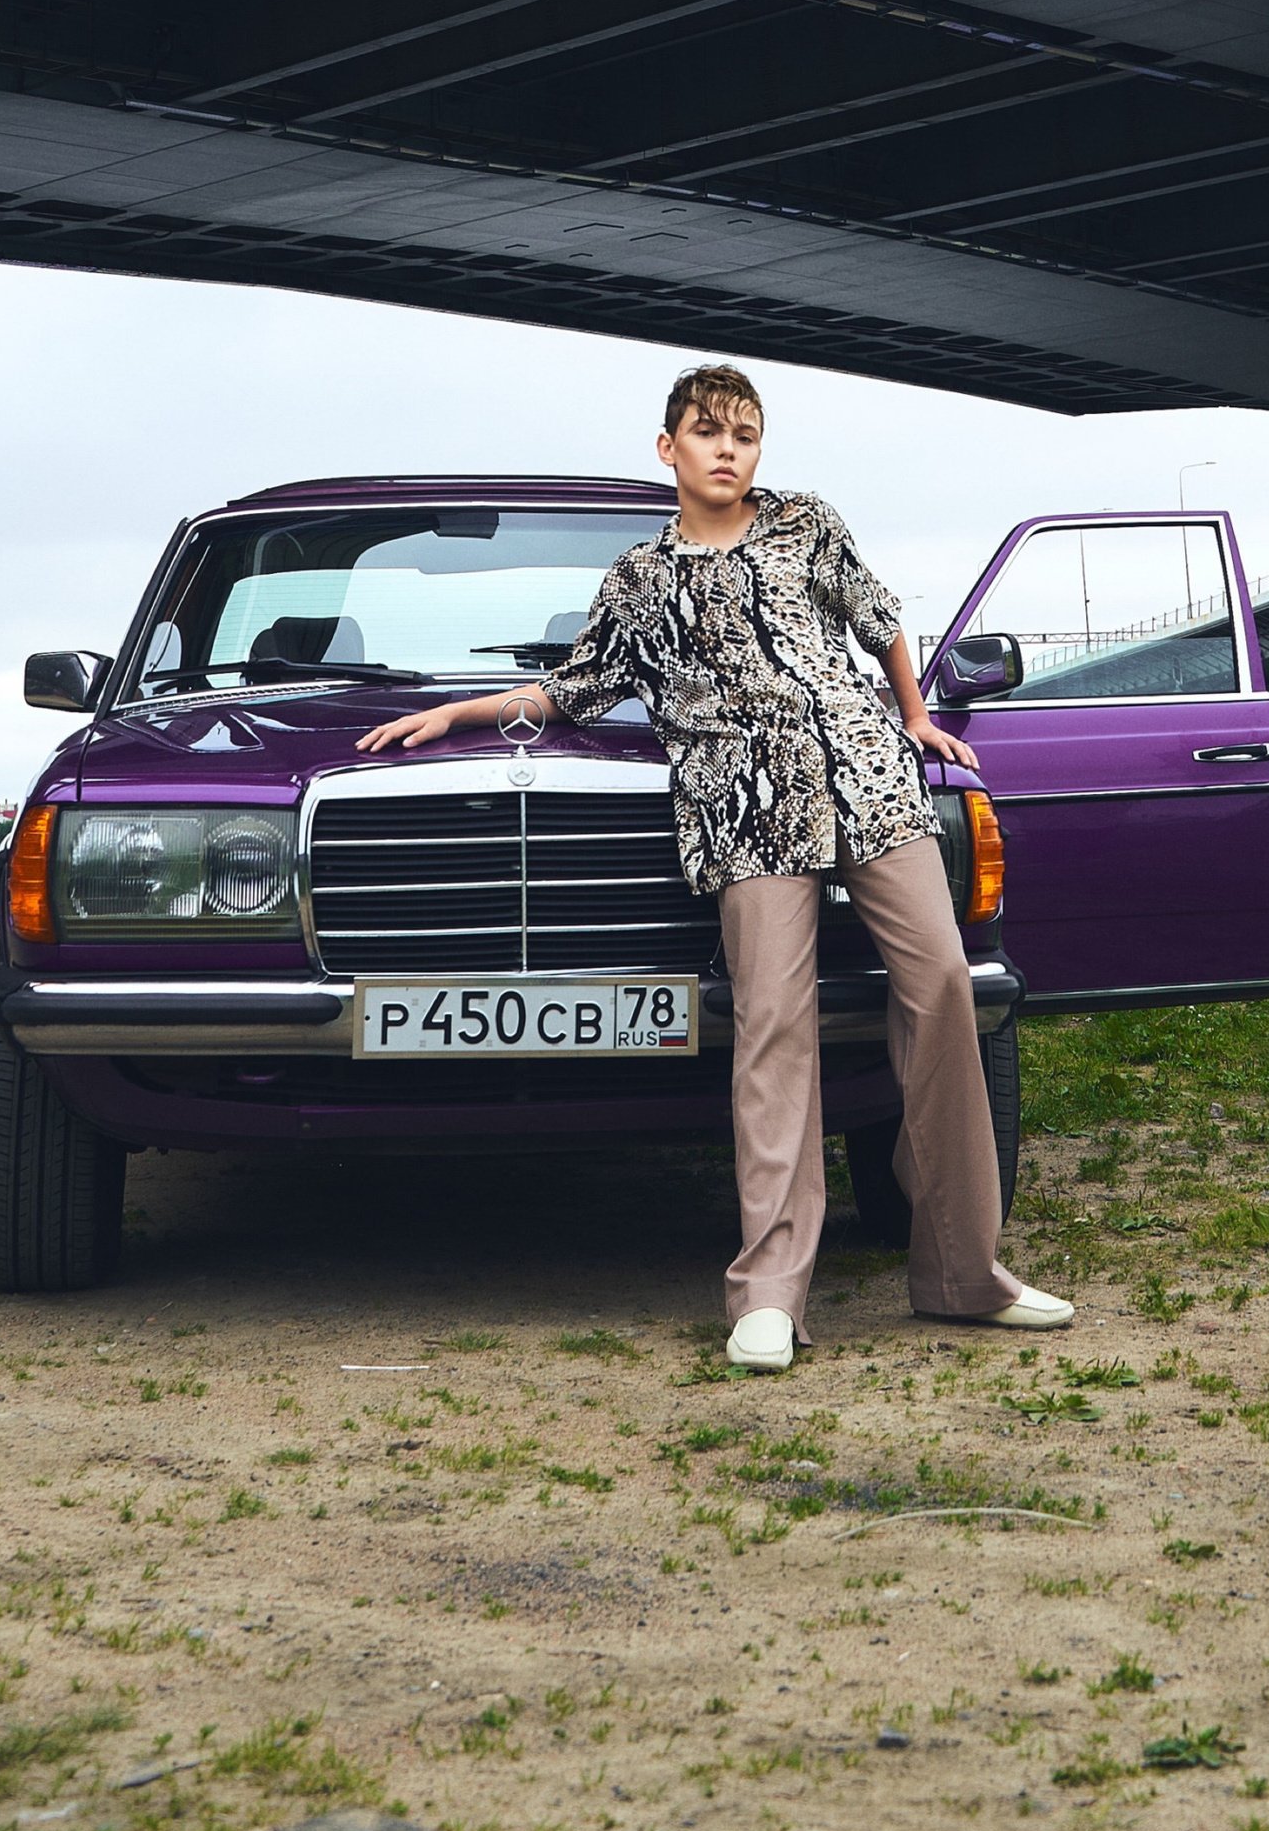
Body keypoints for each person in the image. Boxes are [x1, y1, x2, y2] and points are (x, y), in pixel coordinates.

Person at [358, 361, 1071, 1371]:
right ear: (669, 449)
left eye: (744, 432)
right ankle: (769, 1293)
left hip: (867, 779)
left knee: (945, 985)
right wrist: (461, 714)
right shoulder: (639, 581)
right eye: (707, 431)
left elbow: (877, 622)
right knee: (775, 1027)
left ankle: (964, 1273)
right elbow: (574, 691)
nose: (727, 448)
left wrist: (914, 719)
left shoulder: (807, 525)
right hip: (744, 808)